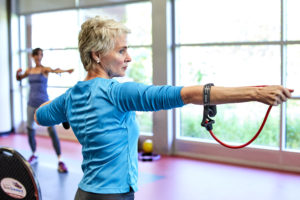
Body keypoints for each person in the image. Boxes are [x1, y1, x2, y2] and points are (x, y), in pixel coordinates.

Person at [34, 17, 293, 200]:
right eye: (121, 50)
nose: (129, 57)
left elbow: (41, 115)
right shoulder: (118, 92)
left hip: (85, 194)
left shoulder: (71, 96)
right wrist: (256, 93)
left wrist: (69, 110)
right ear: (96, 55)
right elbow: (189, 94)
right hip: (114, 196)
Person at [16, 48, 73, 173]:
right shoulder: (29, 70)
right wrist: (17, 73)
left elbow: (54, 70)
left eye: (41, 55)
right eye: (37, 55)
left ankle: (60, 160)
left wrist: (65, 71)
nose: (39, 57)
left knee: (52, 131)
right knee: (30, 129)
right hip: (31, 104)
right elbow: (19, 78)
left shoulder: (44, 69)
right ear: (33, 56)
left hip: (43, 104)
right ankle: (34, 153)